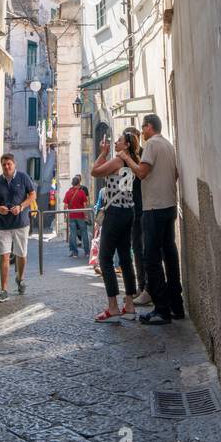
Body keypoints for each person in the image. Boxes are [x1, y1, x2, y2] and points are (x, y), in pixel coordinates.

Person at [121, 114, 183, 325]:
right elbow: (174, 173)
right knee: (170, 254)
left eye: (143, 127)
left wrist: (127, 158)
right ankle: (176, 304)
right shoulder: (168, 145)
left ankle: (161, 309)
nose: (142, 131)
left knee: (152, 258)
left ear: (149, 127)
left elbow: (142, 172)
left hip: (154, 208)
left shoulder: (152, 145)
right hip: (169, 205)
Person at [90, 130, 139, 323]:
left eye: (119, 141)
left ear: (126, 145)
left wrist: (103, 153)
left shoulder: (119, 160)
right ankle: (129, 306)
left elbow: (95, 171)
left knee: (105, 259)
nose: (116, 143)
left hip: (115, 213)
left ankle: (113, 308)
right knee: (125, 259)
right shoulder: (132, 159)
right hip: (128, 211)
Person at [0, 153, 36, 302]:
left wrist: (21, 207)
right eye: (4, 165)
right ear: (1, 166)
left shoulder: (23, 178)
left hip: (21, 223)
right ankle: (4, 290)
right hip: (3, 225)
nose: (7, 167)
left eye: (9, 164)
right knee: (4, 256)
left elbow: (32, 195)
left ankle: (20, 279)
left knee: (21, 254)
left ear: (14, 164)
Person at [124, 127, 151, 306]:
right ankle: (142, 287)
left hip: (143, 207)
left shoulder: (141, 156)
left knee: (142, 250)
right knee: (138, 249)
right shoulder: (126, 160)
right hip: (135, 209)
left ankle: (146, 287)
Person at [64, 174, 90, 257]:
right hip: (80, 215)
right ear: (79, 184)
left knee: (73, 234)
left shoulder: (68, 192)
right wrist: (86, 215)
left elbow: (65, 206)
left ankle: (75, 253)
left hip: (72, 216)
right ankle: (87, 252)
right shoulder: (81, 192)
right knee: (84, 233)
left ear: (72, 183)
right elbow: (85, 204)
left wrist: (65, 216)